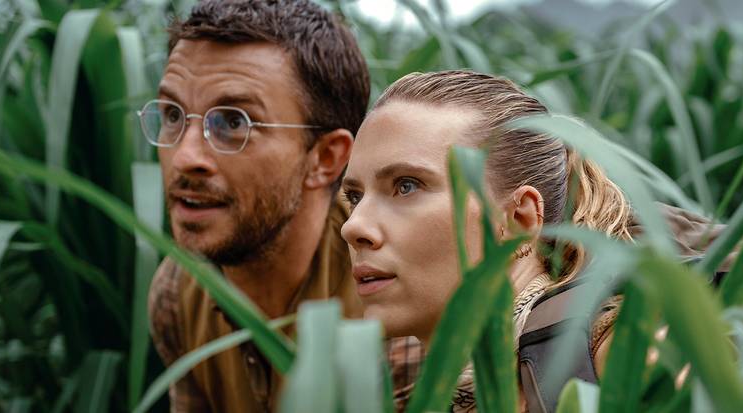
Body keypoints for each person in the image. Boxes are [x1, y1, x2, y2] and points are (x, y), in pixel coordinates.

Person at [339, 69, 640, 412]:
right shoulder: (403, 392)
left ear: (519, 220)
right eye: (354, 196)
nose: (353, 226)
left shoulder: (625, 362)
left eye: (407, 185)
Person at [144, 1, 371, 411]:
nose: (184, 157)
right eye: (172, 115)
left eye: (233, 122)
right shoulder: (177, 293)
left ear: (325, 158)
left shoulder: (393, 304)